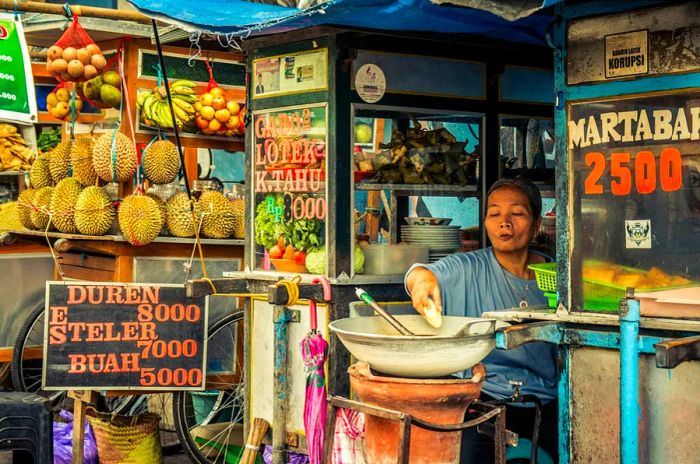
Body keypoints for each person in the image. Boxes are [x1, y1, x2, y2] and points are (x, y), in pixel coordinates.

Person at [405, 177, 558, 462]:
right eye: (495, 213)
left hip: (547, 402)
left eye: (517, 213)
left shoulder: (558, 277)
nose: (505, 222)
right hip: (485, 401)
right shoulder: (468, 267)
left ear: (536, 224)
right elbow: (420, 273)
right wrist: (422, 283)